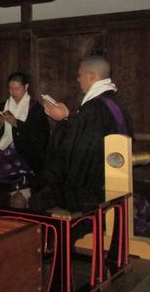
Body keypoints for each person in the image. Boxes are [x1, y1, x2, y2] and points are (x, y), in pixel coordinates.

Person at [36, 55, 132, 210]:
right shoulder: (115, 103)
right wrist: (68, 118)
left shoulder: (94, 108)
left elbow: (75, 148)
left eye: (80, 75)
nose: (78, 79)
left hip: (94, 187)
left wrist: (62, 120)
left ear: (92, 76)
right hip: (114, 175)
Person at [0, 72, 50, 186]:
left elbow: (41, 135)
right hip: (3, 147)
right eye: (10, 89)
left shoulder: (35, 109)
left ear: (26, 87)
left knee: (8, 175)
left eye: (17, 89)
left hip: (24, 153)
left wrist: (17, 124)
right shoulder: (3, 106)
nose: (13, 92)